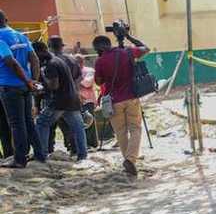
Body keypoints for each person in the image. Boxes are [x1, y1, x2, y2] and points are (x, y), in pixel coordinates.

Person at [93, 27, 150, 176]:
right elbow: (146, 48)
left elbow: (99, 82)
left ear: (98, 48)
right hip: (132, 97)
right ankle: (130, 160)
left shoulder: (100, 61)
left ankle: (128, 161)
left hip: (113, 101)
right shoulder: (127, 52)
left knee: (121, 132)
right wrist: (129, 37)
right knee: (136, 129)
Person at [0, 9, 45, 168]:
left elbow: (10, 61)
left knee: (16, 124)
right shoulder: (21, 36)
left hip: (9, 86)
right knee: (28, 122)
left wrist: (28, 80)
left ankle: (19, 159)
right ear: (6, 19)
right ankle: (40, 154)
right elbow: (34, 59)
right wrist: (33, 80)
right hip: (25, 87)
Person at [34, 43, 87, 163]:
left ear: (40, 52)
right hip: (72, 98)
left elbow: (54, 85)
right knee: (78, 127)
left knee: (41, 123)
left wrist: (41, 86)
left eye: (35, 54)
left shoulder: (50, 65)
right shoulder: (58, 60)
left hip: (59, 101)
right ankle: (82, 154)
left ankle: (41, 154)